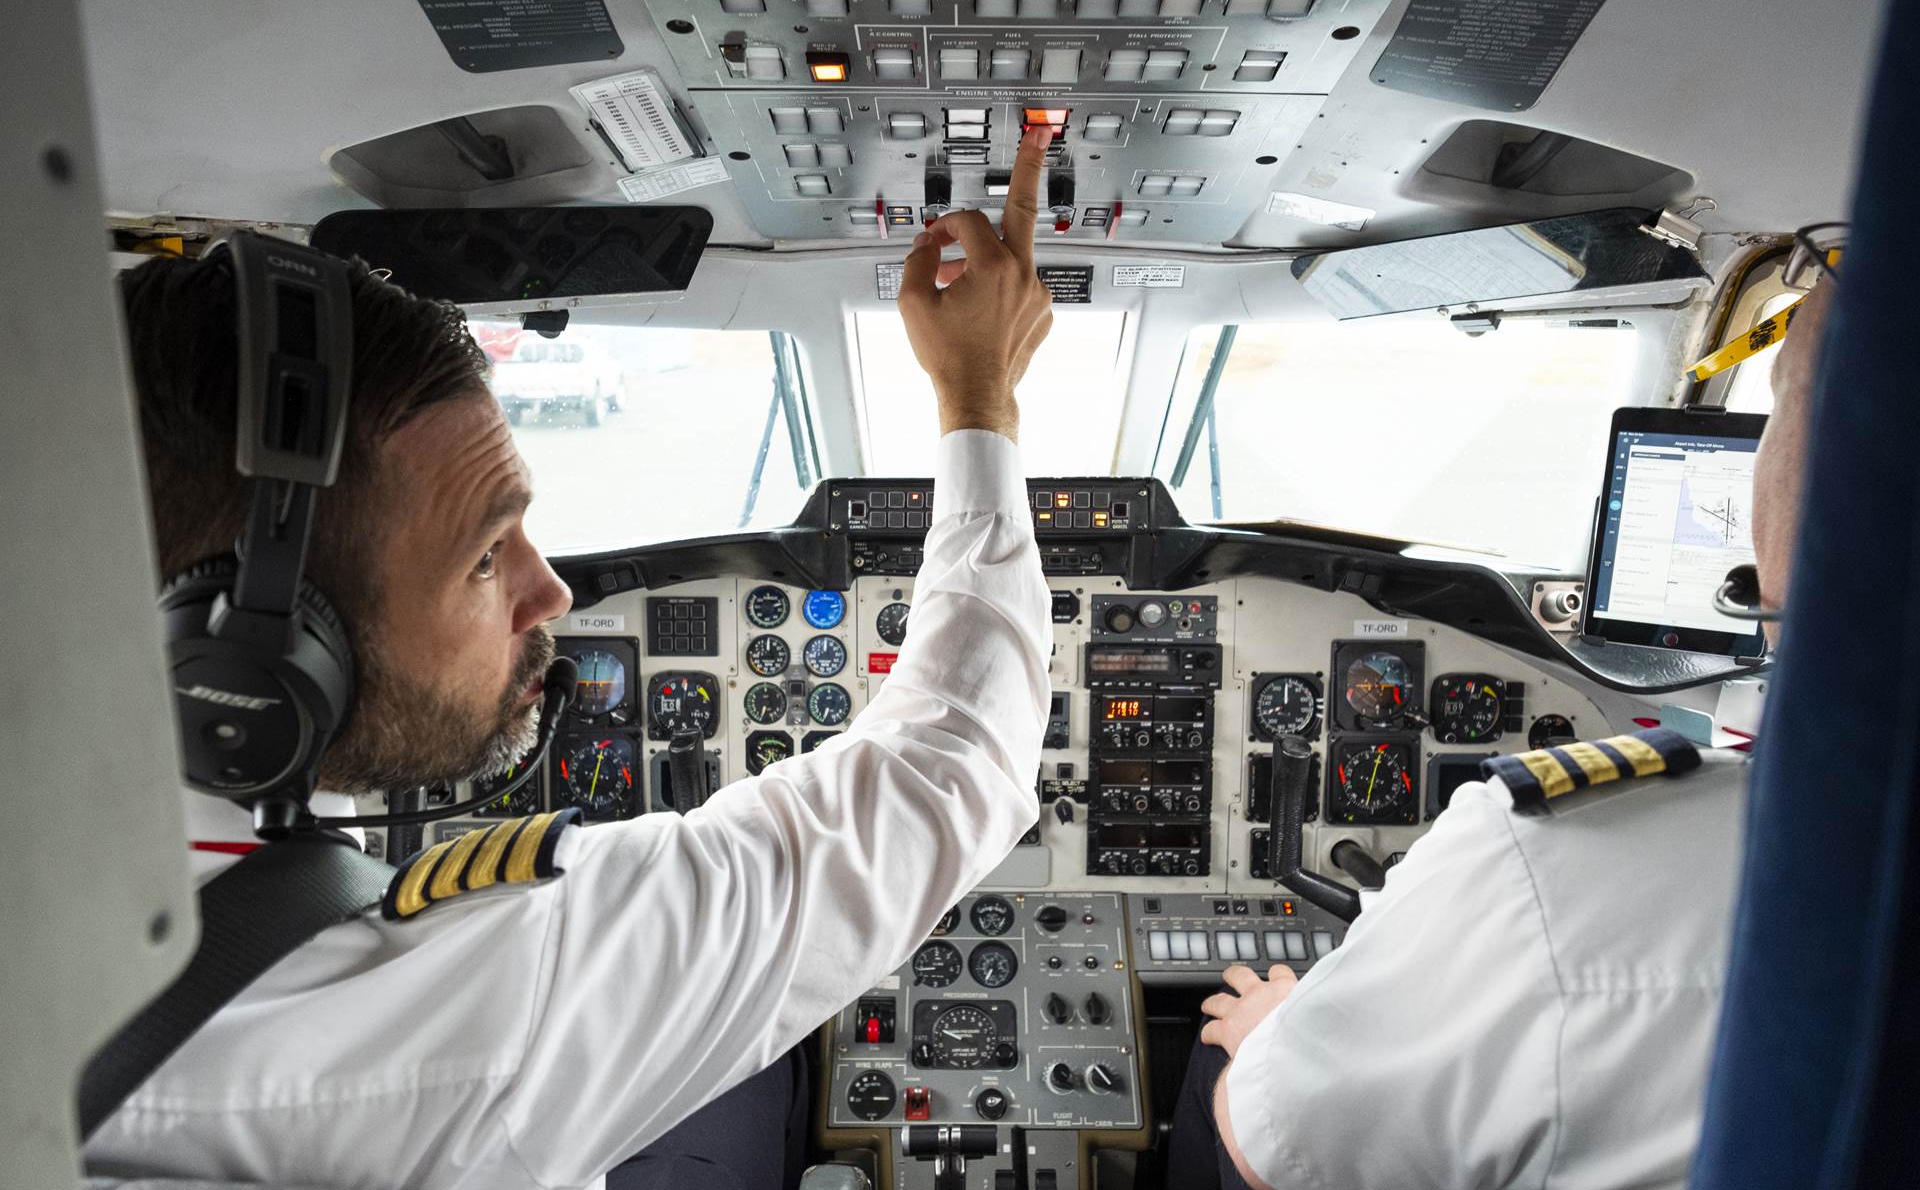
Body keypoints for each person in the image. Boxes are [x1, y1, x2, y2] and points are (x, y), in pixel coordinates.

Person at [84, 124, 1059, 1189]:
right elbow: (954, 754)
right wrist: (980, 398)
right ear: (275, 644)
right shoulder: (474, 1002)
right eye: (483, 555)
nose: (550, 593)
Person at [1165, 274, 1836, 1190]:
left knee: (1226, 1064)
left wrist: (1267, 1038)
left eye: (1784, 396)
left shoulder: (1546, 859)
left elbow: (1279, 1143)